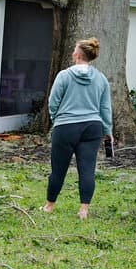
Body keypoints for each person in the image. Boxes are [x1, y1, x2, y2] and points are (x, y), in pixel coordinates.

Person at [42, 37, 113, 220]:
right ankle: (83, 211)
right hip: (92, 127)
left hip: (65, 127)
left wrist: (57, 119)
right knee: (87, 169)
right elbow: (105, 108)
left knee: (58, 169)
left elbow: (53, 102)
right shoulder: (101, 79)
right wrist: (107, 131)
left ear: (77, 54)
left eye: (74, 49)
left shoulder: (64, 76)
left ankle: (49, 206)